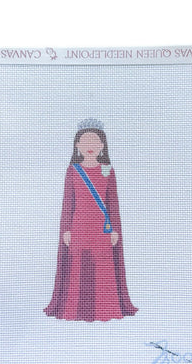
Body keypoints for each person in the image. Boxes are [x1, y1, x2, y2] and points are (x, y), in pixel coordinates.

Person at [44, 119, 139, 321]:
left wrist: (115, 230)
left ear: (102, 145)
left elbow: (112, 204)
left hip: (102, 227)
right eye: (85, 141)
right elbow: (68, 203)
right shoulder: (72, 170)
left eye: (94, 141)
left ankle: (106, 309)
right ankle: (75, 310)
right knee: (78, 265)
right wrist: (66, 229)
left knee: (102, 266)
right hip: (78, 226)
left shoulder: (108, 170)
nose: (90, 146)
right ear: (77, 145)